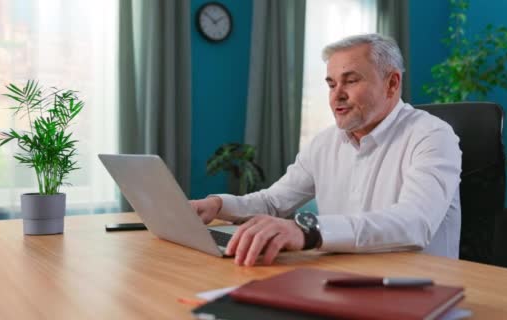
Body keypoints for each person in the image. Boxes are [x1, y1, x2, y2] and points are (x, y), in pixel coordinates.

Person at [190, 34, 462, 267]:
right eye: (331, 84)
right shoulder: (324, 143)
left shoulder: (432, 136)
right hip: (341, 278)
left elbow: (413, 223)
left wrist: (309, 231)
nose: (336, 95)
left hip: (419, 289)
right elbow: (273, 202)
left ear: (392, 83)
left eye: (351, 81)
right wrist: (217, 205)